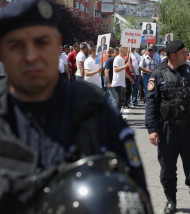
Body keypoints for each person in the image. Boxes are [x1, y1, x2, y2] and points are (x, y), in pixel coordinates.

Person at [0, 0, 149, 212]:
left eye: (42, 42)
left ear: (57, 45)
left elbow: (135, 197)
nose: (31, 56)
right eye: (16, 45)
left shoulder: (94, 110)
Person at [145, 40, 190, 214]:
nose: (186, 55)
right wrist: (152, 130)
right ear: (172, 55)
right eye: (183, 53)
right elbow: (151, 104)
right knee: (167, 168)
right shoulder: (158, 74)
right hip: (167, 128)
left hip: (188, 126)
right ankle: (171, 200)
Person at [112, 46, 134, 111]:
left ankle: (117, 116)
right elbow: (116, 69)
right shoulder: (117, 59)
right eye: (127, 49)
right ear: (122, 50)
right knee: (118, 101)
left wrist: (130, 78)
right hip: (117, 83)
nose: (128, 51)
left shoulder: (122, 59)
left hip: (121, 83)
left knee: (121, 101)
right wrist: (125, 65)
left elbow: (123, 72)